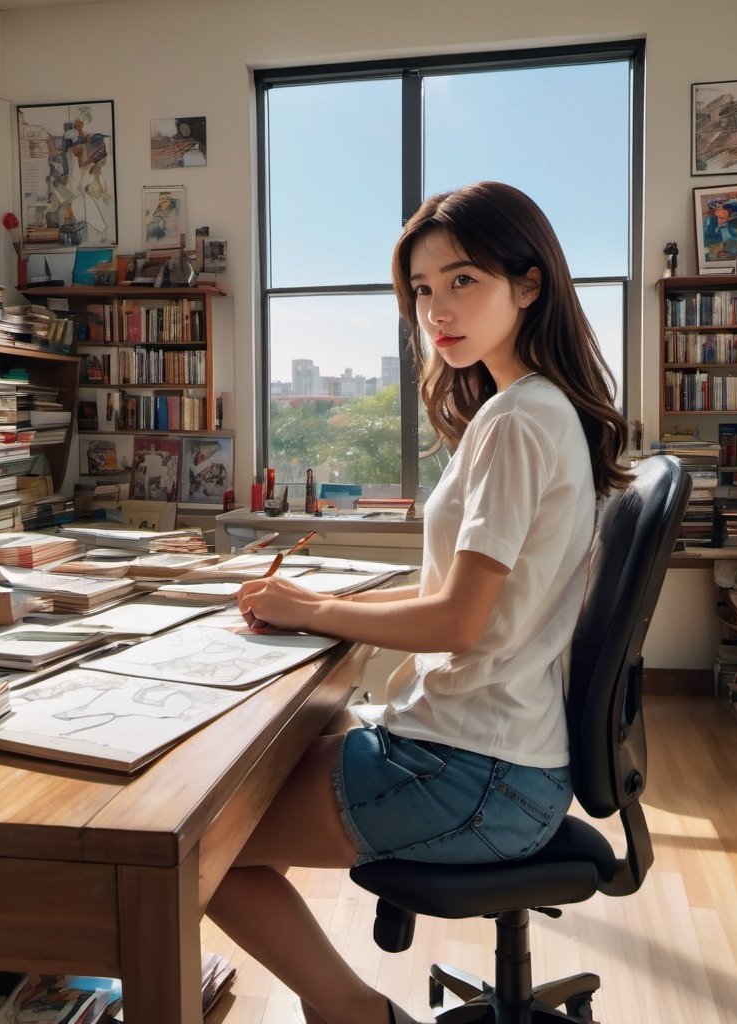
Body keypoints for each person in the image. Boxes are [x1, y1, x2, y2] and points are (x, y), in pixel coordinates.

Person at [207, 181, 630, 1024]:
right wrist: (326, 599)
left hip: (475, 774)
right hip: (503, 760)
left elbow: (456, 622)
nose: (437, 310)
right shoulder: (535, 411)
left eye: (462, 280)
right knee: (269, 763)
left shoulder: (518, 421)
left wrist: (313, 611)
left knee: (200, 848)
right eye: (422, 291)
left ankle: (354, 1014)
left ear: (530, 282)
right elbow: (460, 595)